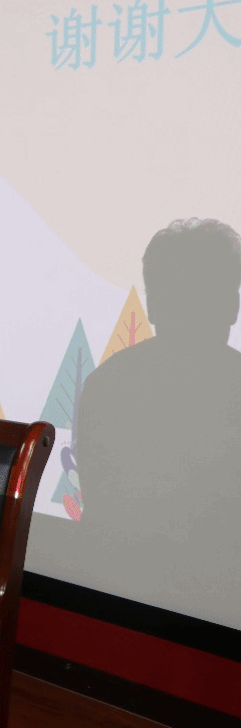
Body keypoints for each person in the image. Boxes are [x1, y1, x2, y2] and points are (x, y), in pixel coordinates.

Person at [72, 218, 241, 628]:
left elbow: (100, 509)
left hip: (107, 609)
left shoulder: (105, 384)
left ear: (152, 305)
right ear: (232, 307)